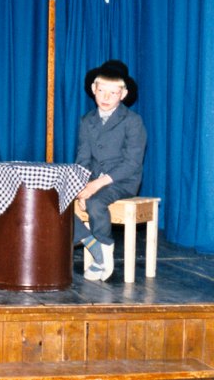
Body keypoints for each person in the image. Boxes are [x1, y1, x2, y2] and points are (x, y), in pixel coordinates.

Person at [75, 60, 147, 282]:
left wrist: (95, 186)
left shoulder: (133, 121)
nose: (106, 97)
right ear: (93, 89)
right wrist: (80, 188)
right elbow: (83, 159)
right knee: (56, 199)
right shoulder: (87, 120)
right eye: (101, 91)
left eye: (113, 93)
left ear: (123, 95)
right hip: (93, 181)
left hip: (122, 181)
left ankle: (104, 253)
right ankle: (93, 245)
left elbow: (132, 163)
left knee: (96, 202)